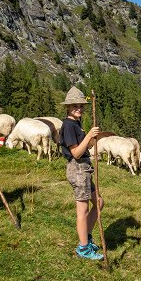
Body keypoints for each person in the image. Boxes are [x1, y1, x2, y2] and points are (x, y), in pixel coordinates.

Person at [59, 86, 105, 260]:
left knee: (99, 202)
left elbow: (85, 148)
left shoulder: (76, 124)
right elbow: (76, 153)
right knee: (82, 210)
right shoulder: (68, 125)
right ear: (68, 108)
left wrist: (92, 139)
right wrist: (88, 137)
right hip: (77, 169)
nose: (79, 108)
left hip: (85, 168)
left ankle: (87, 236)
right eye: (74, 106)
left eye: (81, 106)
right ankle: (83, 248)